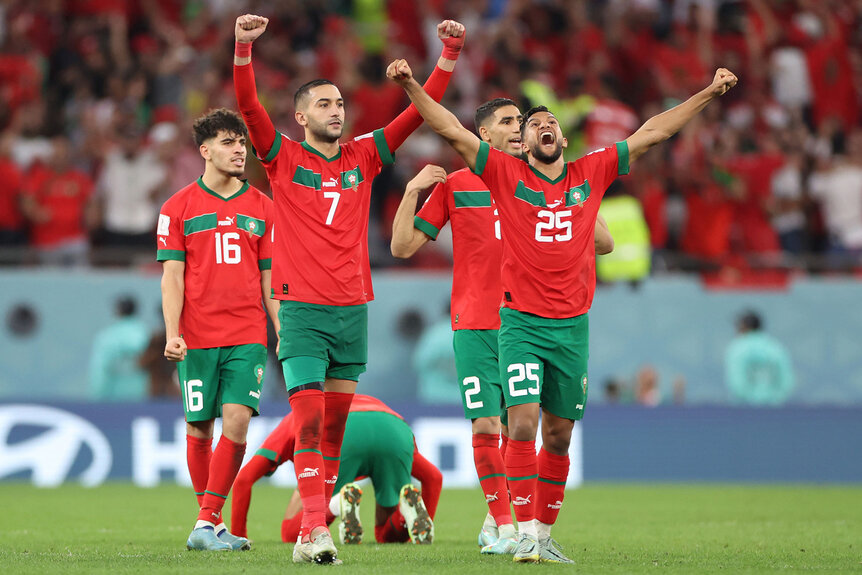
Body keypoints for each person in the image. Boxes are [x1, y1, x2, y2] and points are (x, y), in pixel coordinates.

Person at [388, 58, 737, 563]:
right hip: (518, 323)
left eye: (548, 121)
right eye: (530, 125)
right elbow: (449, 128)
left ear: (563, 139)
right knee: (518, 421)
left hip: (572, 327)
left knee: (558, 433)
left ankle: (541, 533)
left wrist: (707, 92)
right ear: (521, 148)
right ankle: (517, 529)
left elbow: (654, 131)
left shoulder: (590, 173)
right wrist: (411, 85)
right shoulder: (503, 175)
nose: (542, 125)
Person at [233, 13, 465, 564]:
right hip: (303, 309)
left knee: (332, 430)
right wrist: (243, 48)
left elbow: (416, 115)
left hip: (351, 309)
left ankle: (316, 523)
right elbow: (248, 108)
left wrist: (449, 55)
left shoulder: (364, 154)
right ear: (301, 115)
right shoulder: (283, 156)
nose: (335, 111)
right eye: (323, 105)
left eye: (339, 104)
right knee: (308, 421)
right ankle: (315, 529)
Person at [390, 98, 614, 555]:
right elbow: (403, 247)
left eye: (520, 122)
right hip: (474, 321)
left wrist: (573, 198)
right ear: (484, 135)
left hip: (529, 321)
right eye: (507, 122)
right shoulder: (458, 184)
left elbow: (605, 243)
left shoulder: (542, 182)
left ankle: (522, 526)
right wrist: (413, 191)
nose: (517, 129)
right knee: (487, 425)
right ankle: (501, 525)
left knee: (523, 427)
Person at [157, 108, 279, 552]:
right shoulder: (176, 208)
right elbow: (172, 276)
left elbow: (270, 280)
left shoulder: (263, 208)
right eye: (229, 143)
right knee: (199, 430)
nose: (239, 150)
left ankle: (205, 521)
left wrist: (282, 329)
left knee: (238, 420)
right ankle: (212, 524)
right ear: (205, 151)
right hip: (196, 336)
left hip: (248, 333)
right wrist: (173, 332)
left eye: (242, 143)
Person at [231, 394, 442, 548]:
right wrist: (428, 520)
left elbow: (244, 479)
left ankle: (335, 504)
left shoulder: (293, 419)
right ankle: (408, 514)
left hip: (342, 429)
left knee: (290, 532)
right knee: (386, 535)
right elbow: (434, 477)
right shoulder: (343, 394)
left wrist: (239, 535)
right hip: (393, 425)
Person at [88, 295, 150, 401]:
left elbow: (99, 370)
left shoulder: (107, 337)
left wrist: (97, 396)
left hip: (112, 398)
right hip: (142, 397)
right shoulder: (146, 335)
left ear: (117, 311)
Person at [725, 310, 794, 405]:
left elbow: (737, 383)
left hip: (745, 410)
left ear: (743, 327)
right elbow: (786, 381)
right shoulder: (775, 346)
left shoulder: (738, 347)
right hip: (775, 409)